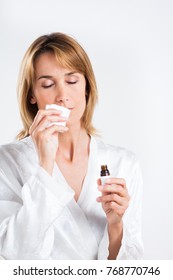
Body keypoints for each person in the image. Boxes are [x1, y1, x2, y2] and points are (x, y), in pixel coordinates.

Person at [0, 32, 143, 260]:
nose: (62, 96)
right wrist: (45, 165)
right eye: (48, 84)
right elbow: (15, 258)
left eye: (72, 81)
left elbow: (131, 268)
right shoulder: (7, 162)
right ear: (32, 95)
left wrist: (116, 226)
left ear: (87, 86)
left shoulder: (123, 163)